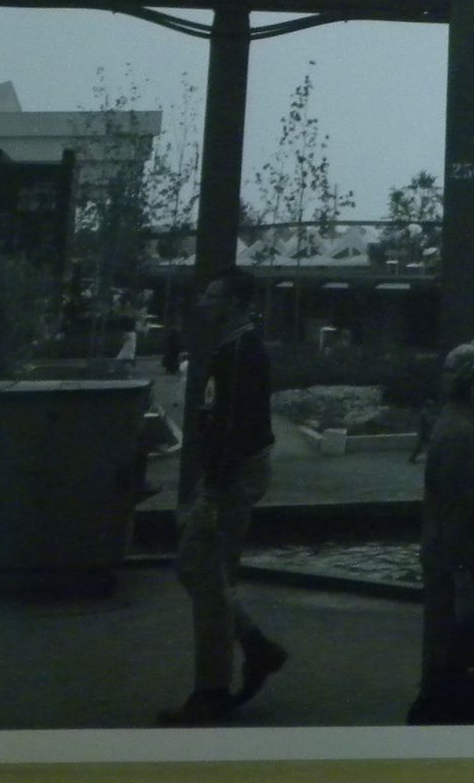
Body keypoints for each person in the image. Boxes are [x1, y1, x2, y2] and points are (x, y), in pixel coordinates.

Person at [158, 267, 288, 726]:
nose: (203, 303)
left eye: (212, 295)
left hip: (229, 479)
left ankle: (211, 689)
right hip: (231, 475)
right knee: (200, 568)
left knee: (206, 574)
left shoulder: (239, 352)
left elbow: (231, 426)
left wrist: (212, 489)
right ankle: (254, 645)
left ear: (232, 302)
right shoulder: (238, 348)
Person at [406, 339, 474, 725]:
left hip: (460, 568)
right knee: (469, 656)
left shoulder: (457, 428)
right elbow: (457, 513)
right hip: (463, 571)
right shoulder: (462, 436)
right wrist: (463, 581)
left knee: (455, 658)